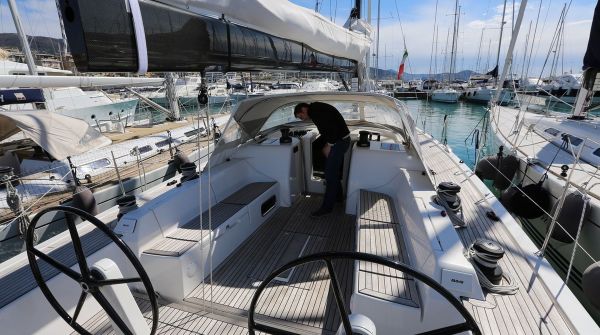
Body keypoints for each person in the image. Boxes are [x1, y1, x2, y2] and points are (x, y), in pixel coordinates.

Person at [294, 102, 350, 217]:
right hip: (341, 140)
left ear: (303, 110)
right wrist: (326, 144)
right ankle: (338, 198)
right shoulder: (316, 109)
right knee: (333, 173)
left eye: (301, 116)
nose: (303, 119)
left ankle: (326, 208)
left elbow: (332, 128)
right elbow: (327, 129)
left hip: (339, 142)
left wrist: (329, 145)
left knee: (330, 175)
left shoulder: (315, 111)